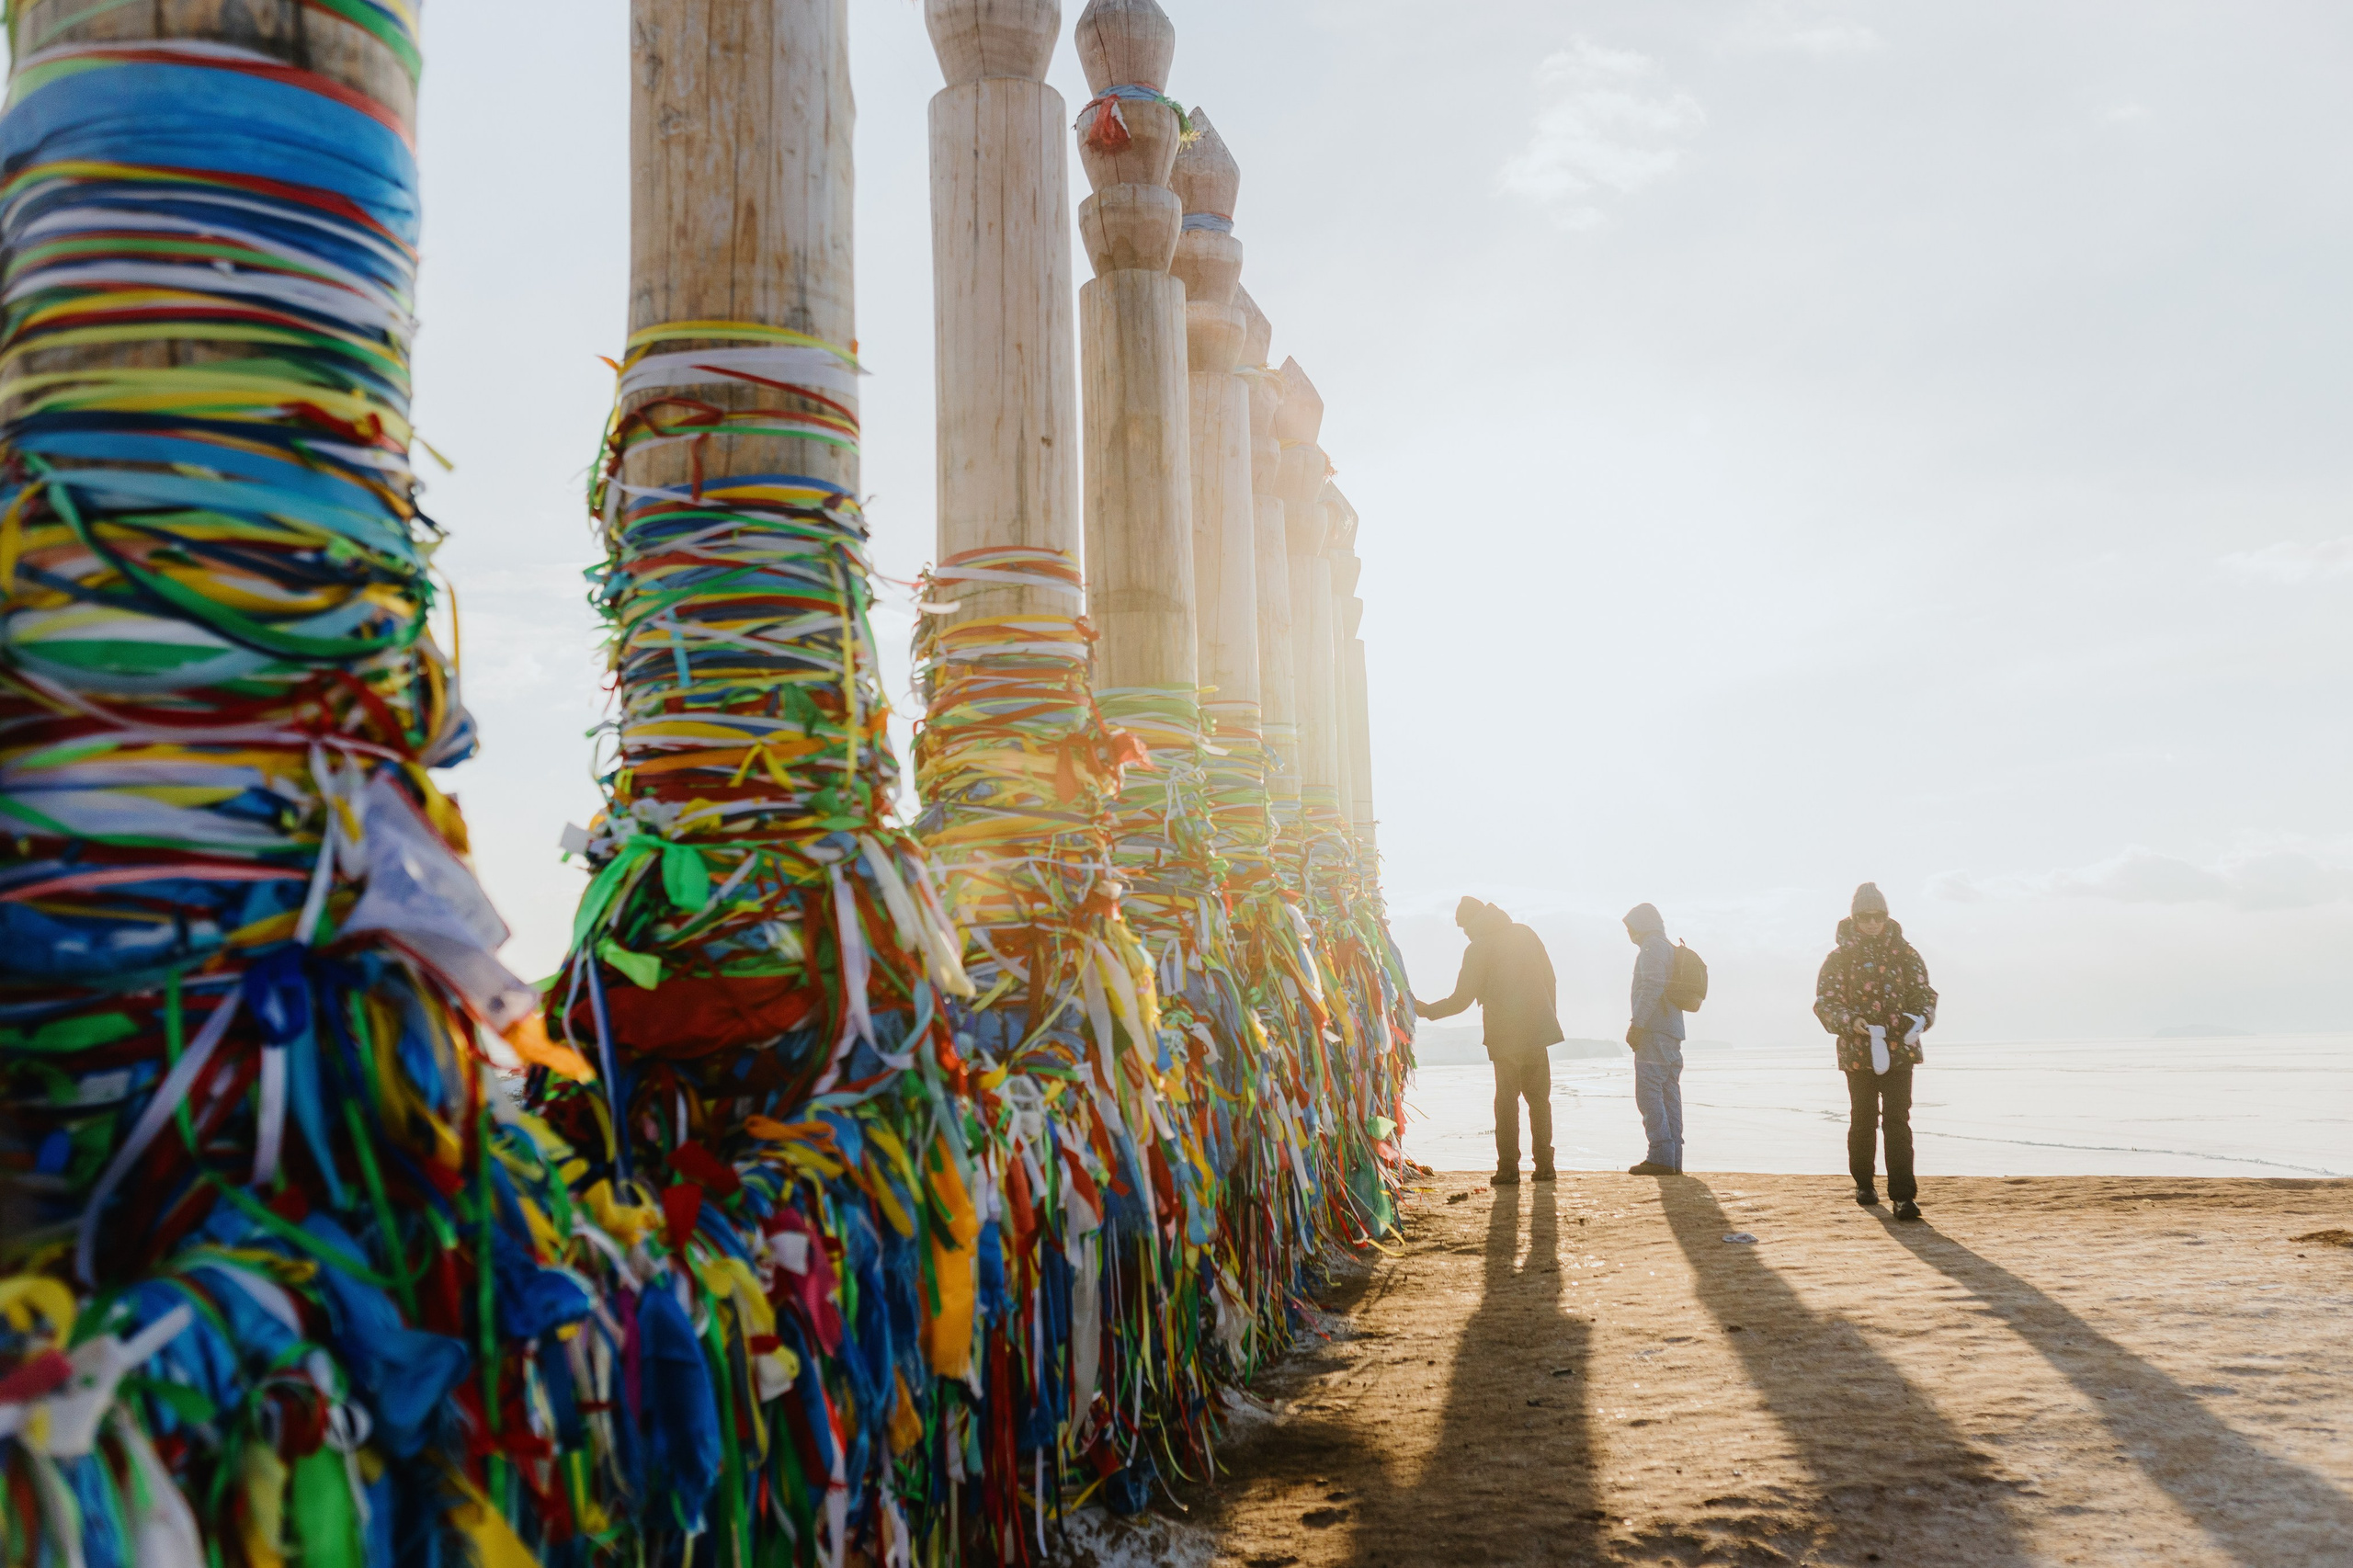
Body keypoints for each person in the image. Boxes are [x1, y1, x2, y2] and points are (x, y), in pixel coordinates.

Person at [1415, 897, 1565, 1185]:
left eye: (1463, 927)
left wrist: (1426, 1011)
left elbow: (1461, 1000)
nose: (1464, 933)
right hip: (1537, 1031)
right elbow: (1551, 979)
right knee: (1539, 1101)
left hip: (1505, 1035)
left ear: (1472, 921)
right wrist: (1548, 1019)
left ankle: (1508, 1169)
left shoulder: (1478, 949)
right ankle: (1545, 1166)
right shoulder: (1525, 933)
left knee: (1507, 1102)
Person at [1813, 881, 1938, 1221]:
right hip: (1858, 1052)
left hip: (1900, 1051)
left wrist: (1921, 1018)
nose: (1872, 921)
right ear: (1854, 918)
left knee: (1898, 1122)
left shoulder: (1906, 953)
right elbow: (1825, 1002)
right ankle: (1864, 1183)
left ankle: (1903, 1197)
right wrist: (1849, 1021)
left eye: (1878, 915)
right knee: (1863, 1120)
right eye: (1866, 916)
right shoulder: (1839, 959)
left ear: (1886, 916)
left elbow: (1924, 994)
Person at [1621, 903, 1686, 1176]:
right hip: (1671, 1031)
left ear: (1642, 924)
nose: (1629, 934)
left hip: (1654, 1030)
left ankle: (1660, 1154)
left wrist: (1637, 1025)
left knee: (1648, 1093)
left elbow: (1651, 987)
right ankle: (1673, 1158)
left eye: (1630, 927)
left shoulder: (1652, 946)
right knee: (1669, 1093)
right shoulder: (1667, 946)